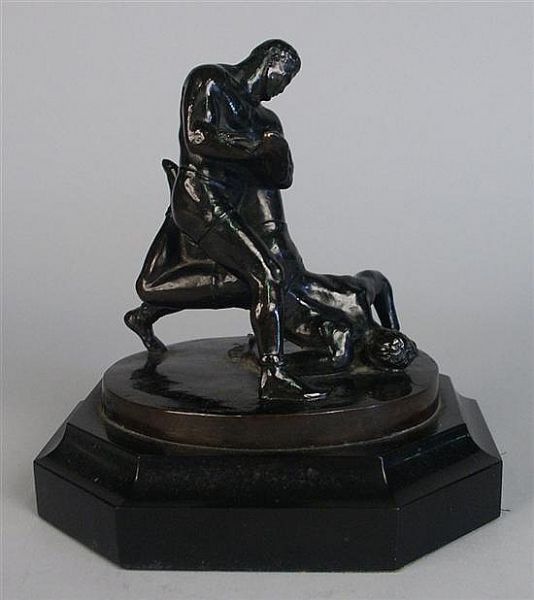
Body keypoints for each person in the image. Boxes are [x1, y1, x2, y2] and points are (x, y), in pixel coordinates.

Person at [125, 40, 326, 401]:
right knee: (266, 275)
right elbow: (198, 137)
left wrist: (278, 153)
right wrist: (255, 148)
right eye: (284, 78)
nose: (282, 89)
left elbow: (280, 179)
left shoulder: (265, 119)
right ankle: (274, 375)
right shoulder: (210, 80)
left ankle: (147, 311)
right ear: (270, 62)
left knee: (252, 281)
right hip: (200, 197)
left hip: (234, 205)